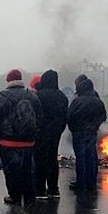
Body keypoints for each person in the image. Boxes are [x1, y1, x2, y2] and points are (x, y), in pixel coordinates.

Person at [0, 69, 42, 205]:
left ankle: (14, 196)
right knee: (28, 170)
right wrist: (34, 135)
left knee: (11, 171)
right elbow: (39, 118)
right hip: (28, 142)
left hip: (7, 142)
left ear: (8, 81)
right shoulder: (32, 96)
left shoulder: (2, 97)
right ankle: (29, 197)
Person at [67, 78, 107, 191]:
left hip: (78, 133)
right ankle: (91, 183)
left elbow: (69, 116)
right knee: (90, 158)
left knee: (80, 159)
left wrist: (73, 128)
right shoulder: (98, 101)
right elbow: (103, 117)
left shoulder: (77, 101)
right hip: (92, 133)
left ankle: (81, 183)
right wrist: (95, 126)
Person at [34, 69, 68, 199]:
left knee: (39, 159)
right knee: (52, 159)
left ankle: (40, 189)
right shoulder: (62, 96)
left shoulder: (39, 95)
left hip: (41, 132)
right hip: (55, 132)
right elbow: (64, 116)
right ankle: (53, 189)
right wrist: (59, 129)